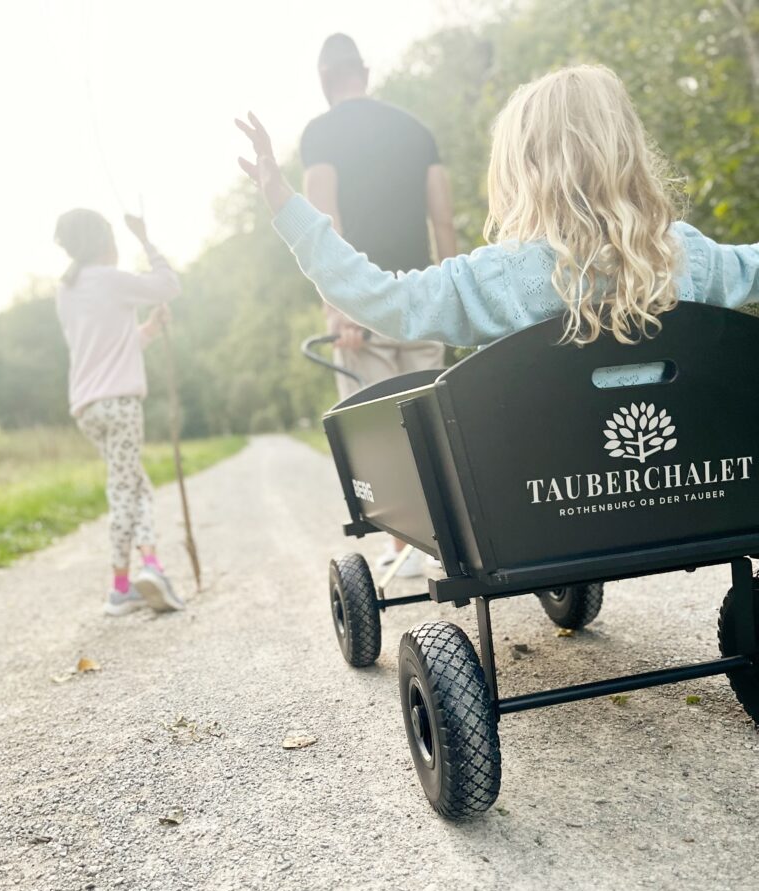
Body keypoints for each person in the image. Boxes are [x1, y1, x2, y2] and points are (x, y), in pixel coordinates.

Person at [236, 64, 759, 353]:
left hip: (542, 516)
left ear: (525, 165)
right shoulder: (684, 256)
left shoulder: (499, 278)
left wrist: (287, 205)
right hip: (682, 494)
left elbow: (384, 301)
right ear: (627, 150)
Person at [301, 33, 457, 575]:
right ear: (364, 71)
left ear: (324, 78)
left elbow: (324, 226)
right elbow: (443, 221)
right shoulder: (417, 131)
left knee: (377, 431)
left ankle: (402, 547)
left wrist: (337, 309)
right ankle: (442, 542)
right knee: (431, 422)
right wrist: (452, 295)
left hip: (365, 303)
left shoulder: (320, 134)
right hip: (422, 297)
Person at [54, 208, 184, 616]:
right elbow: (168, 285)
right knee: (124, 488)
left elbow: (109, 349)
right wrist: (146, 240)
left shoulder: (67, 289)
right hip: (121, 404)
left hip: (87, 407)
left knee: (134, 484)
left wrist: (149, 328)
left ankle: (141, 573)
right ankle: (127, 580)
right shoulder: (109, 279)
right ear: (105, 242)